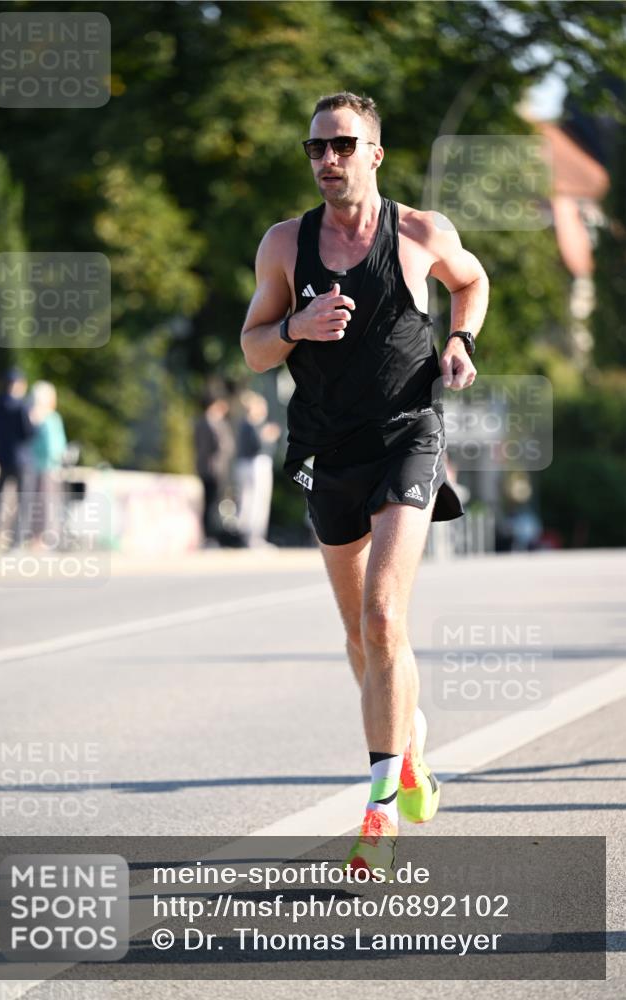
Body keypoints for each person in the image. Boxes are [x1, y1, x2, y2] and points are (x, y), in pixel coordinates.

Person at [241, 92, 488, 876]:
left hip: (407, 435)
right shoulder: (285, 244)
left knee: (383, 616)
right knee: (359, 634)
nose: (327, 159)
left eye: (342, 145)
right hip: (325, 448)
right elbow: (253, 348)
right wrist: (294, 327)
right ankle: (406, 745)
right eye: (315, 148)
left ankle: (377, 815)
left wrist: (460, 340)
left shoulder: (419, 232)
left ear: (374, 153)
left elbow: (471, 281)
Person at [0, 367, 35, 551]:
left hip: (3, 457)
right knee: (23, 502)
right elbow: (28, 433)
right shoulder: (22, 406)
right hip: (22, 461)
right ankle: (16, 544)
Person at [235, 390, 281, 547]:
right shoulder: (252, 425)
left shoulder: (248, 424)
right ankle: (253, 536)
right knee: (256, 500)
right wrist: (267, 436)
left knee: (252, 500)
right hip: (255, 464)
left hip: (250, 464)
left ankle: (252, 536)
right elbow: (257, 446)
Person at [29, 381, 68, 548]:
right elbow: (55, 447)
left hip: (34, 467)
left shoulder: (32, 416)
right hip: (49, 467)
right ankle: (44, 538)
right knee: (47, 504)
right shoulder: (51, 418)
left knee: (37, 504)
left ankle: (36, 538)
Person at [193, 390, 235, 545]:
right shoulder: (210, 423)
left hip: (209, 467)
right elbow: (222, 445)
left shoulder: (202, 422)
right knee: (211, 503)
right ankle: (208, 536)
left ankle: (209, 536)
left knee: (212, 502)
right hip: (212, 468)